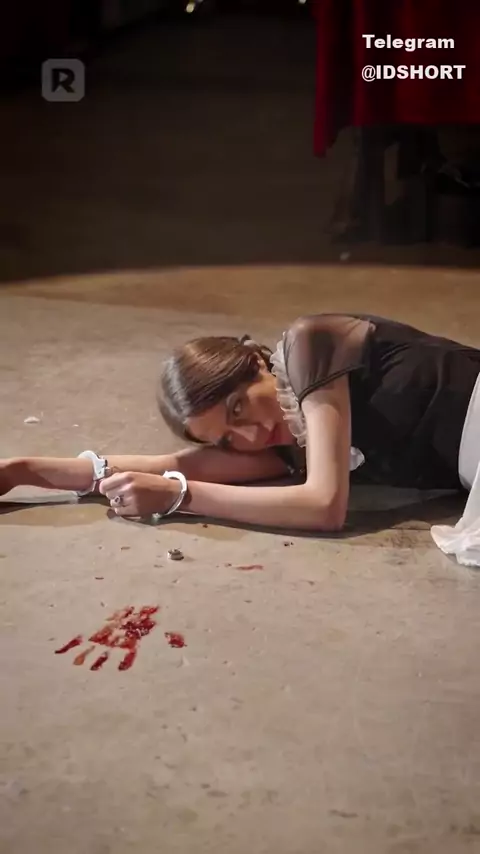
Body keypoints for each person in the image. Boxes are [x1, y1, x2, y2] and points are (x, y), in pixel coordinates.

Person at [1, 313, 480, 563]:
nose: (251, 434)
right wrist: (22, 471)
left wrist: (177, 497)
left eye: (237, 407)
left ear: (255, 363)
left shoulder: (309, 344)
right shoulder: (284, 441)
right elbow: (178, 463)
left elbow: (324, 506)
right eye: (228, 439)